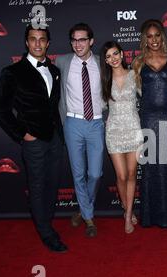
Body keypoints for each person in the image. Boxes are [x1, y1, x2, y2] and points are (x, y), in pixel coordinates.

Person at [0, 25, 67, 252]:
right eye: (33, 39)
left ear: (48, 43)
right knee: (37, 186)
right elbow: (1, 112)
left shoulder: (55, 71)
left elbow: (53, 107)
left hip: (55, 139)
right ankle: (46, 233)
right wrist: (23, 135)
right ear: (27, 43)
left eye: (42, 39)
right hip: (33, 141)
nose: (37, 43)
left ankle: (47, 221)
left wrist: (59, 134)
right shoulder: (12, 72)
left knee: (52, 184)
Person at [56, 23, 105, 238]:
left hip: (96, 123)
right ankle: (88, 218)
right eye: (74, 40)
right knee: (78, 174)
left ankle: (82, 209)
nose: (78, 44)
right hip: (73, 123)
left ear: (91, 41)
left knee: (95, 173)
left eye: (82, 39)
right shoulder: (62, 62)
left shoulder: (102, 64)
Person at [132, 19, 167, 228]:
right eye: (149, 36)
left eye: (157, 35)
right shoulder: (138, 63)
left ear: (162, 36)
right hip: (149, 118)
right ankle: (152, 215)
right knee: (151, 165)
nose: (153, 40)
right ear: (145, 38)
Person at [100, 41, 143, 234]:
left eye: (115, 54)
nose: (113, 59)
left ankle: (128, 216)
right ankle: (127, 209)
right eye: (108, 56)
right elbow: (100, 106)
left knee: (132, 174)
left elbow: (147, 95)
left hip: (134, 128)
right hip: (114, 130)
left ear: (122, 54)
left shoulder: (134, 75)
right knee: (121, 175)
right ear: (106, 61)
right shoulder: (104, 80)